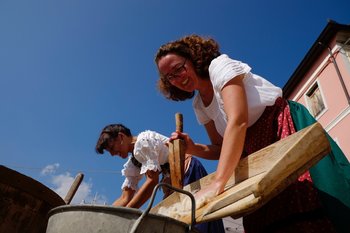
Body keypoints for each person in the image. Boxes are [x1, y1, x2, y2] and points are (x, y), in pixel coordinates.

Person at [155, 35, 350, 233]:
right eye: (170, 76)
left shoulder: (219, 67)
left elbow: (238, 121)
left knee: (304, 199)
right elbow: (221, 148)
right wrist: (193, 148)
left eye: (179, 68)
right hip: (252, 150)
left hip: (280, 127)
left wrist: (217, 183)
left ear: (192, 58)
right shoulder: (199, 105)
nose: (178, 78)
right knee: (265, 217)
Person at [95, 123, 225, 233]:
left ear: (121, 137)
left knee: (197, 221)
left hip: (188, 172)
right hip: (174, 182)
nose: (112, 154)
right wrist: (104, 217)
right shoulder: (133, 161)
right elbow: (125, 197)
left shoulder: (143, 143)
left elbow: (152, 182)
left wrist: (126, 214)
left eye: (111, 148)